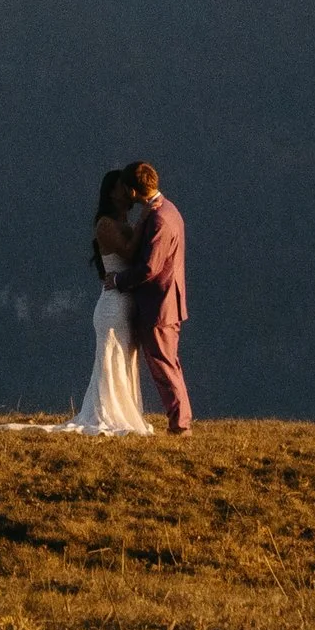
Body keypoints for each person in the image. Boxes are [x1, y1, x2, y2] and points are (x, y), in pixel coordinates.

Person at [66, 165, 152, 436]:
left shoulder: (122, 224)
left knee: (125, 357)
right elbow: (127, 251)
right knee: (111, 357)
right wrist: (144, 221)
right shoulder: (105, 224)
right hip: (112, 305)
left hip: (125, 302)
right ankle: (110, 410)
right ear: (112, 193)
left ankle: (125, 408)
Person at [122, 159, 191, 435]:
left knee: (163, 365)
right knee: (168, 363)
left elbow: (150, 268)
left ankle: (180, 423)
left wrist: (118, 280)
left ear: (133, 191)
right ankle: (180, 420)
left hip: (158, 304)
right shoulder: (169, 210)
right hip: (166, 302)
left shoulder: (160, 218)